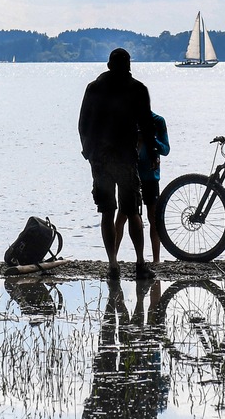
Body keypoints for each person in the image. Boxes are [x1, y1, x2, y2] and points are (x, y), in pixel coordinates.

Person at [78, 48, 157, 280]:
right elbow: (147, 126)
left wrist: (89, 152)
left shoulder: (94, 89)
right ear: (128, 65)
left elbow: (83, 124)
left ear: (109, 64)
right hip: (125, 158)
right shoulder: (138, 90)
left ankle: (113, 265)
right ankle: (140, 263)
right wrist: (151, 153)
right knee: (132, 211)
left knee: (107, 211)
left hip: (100, 158)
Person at [115, 111, 170, 263]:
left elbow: (165, 149)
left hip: (151, 177)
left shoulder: (158, 121)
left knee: (153, 218)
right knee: (122, 216)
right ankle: (113, 259)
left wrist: (150, 140)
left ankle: (156, 260)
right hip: (130, 175)